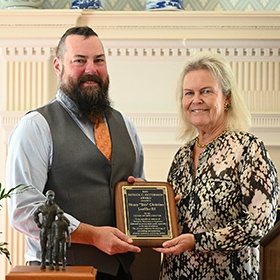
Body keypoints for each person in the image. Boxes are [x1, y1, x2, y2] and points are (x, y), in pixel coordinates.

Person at [6, 26, 145, 280]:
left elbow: (139, 187)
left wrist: (155, 204)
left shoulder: (127, 125)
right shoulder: (36, 126)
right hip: (60, 273)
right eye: (80, 61)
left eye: (99, 60)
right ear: (58, 66)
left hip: (123, 271)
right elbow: (23, 209)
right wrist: (91, 235)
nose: (91, 69)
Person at [153, 51, 279, 279]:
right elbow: (170, 221)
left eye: (206, 91)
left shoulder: (248, 148)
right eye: (189, 93)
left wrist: (198, 242)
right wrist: (151, 205)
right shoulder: (181, 156)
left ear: (227, 97)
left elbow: (261, 224)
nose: (196, 100)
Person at [33, 190, 60, 270]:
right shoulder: (42, 207)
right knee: (42, 246)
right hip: (43, 228)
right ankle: (43, 262)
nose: (50, 197)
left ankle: (51, 263)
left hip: (51, 229)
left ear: (54, 197)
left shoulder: (55, 207)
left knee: (51, 246)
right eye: (49, 195)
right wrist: (37, 222)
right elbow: (35, 213)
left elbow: (60, 215)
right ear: (46, 196)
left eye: (52, 196)